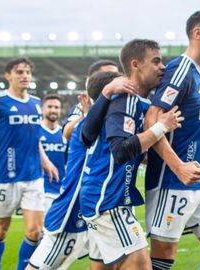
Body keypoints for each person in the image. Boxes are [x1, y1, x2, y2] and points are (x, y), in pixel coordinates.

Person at [80, 39, 183, 269]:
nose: (163, 67)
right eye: (156, 61)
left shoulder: (139, 102)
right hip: (107, 199)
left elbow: (89, 136)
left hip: (109, 196)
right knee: (140, 264)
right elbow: (121, 151)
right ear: (136, 64)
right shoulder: (126, 99)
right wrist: (161, 127)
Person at [27, 71, 139, 270]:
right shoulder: (86, 126)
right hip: (72, 212)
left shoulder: (108, 123)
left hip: (99, 210)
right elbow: (70, 131)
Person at [143, 10, 200, 270]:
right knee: (164, 256)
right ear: (198, 33)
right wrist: (178, 166)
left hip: (198, 182)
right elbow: (152, 118)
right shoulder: (181, 70)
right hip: (171, 181)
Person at [0, 57, 58, 270]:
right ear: (8, 75)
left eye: (28, 72)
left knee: (35, 231)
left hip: (33, 177)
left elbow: (35, 137)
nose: (25, 76)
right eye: (20, 72)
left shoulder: (35, 103)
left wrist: (45, 160)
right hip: (4, 177)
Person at [63, 59, 119, 141]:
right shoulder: (83, 105)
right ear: (91, 79)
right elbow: (67, 134)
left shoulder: (121, 103)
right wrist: (86, 115)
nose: (113, 80)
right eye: (107, 75)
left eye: (115, 76)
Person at [40, 93, 67, 211]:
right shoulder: (36, 132)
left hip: (62, 189)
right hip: (41, 189)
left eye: (56, 107)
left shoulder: (65, 134)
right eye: (49, 107)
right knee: (41, 228)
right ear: (43, 109)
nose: (53, 110)